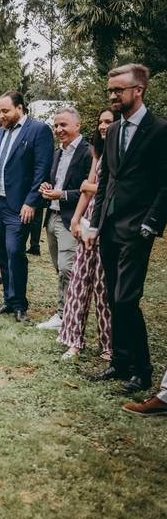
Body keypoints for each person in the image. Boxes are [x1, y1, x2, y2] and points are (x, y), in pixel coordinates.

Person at [85, 64, 167, 395]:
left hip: (138, 229)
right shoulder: (114, 130)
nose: (113, 95)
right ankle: (119, 362)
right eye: (110, 90)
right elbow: (106, 178)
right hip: (109, 227)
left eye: (118, 90)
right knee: (111, 294)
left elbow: (165, 184)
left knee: (126, 298)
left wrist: (151, 224)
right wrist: (94, 224)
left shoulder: (160, 130)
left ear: (138, 90)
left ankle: (142, 371)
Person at [0, 92, 53, 322]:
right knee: (2, 253)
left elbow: (42, 169)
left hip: (19, 206)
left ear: (20, 108)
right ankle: (8, 301)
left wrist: (31, 201)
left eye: (5, 112)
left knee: (15, 253)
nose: (0, 116)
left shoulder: (38, 130)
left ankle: (20, 304)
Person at [57, 110, 114, 361]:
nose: (103, 126)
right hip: (88, 220)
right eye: (101, 122)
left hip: (108, 223)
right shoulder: (97, 153)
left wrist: (88, 186)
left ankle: (108, 345)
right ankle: (73, 340)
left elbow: (111, 187)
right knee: (79, 282)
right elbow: (87, 191)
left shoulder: (122, 153)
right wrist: (76, 218)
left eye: (108, 122)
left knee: (103, 287)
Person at [36, 108, 93, 331]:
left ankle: (65, 316)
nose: (59, 130)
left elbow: (91, 191)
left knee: (66, 268)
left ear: (77, 125)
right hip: (52, 216)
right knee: (58, 268)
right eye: (56, 125)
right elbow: (54, 183)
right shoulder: (57, 153)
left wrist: (63, 194)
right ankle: (67, 310)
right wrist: (46, 187)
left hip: (71, 219)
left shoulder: (88, 153)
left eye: (64, 125)